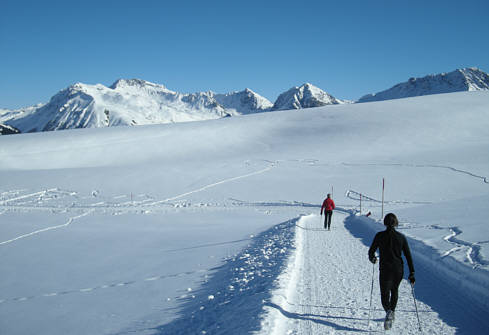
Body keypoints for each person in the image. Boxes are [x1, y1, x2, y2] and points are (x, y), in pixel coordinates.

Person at [368, 213, 415, 330]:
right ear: (396, 223)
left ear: (385, 222)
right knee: (394, 291)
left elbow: (371, 252)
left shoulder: (379, 236)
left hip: (385, 269)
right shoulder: (401, 237)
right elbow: (408, 256)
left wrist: (373, 258)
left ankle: (389, 311)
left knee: (385, 294)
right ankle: (391, 312)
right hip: (399, 269)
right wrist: (412, 273)